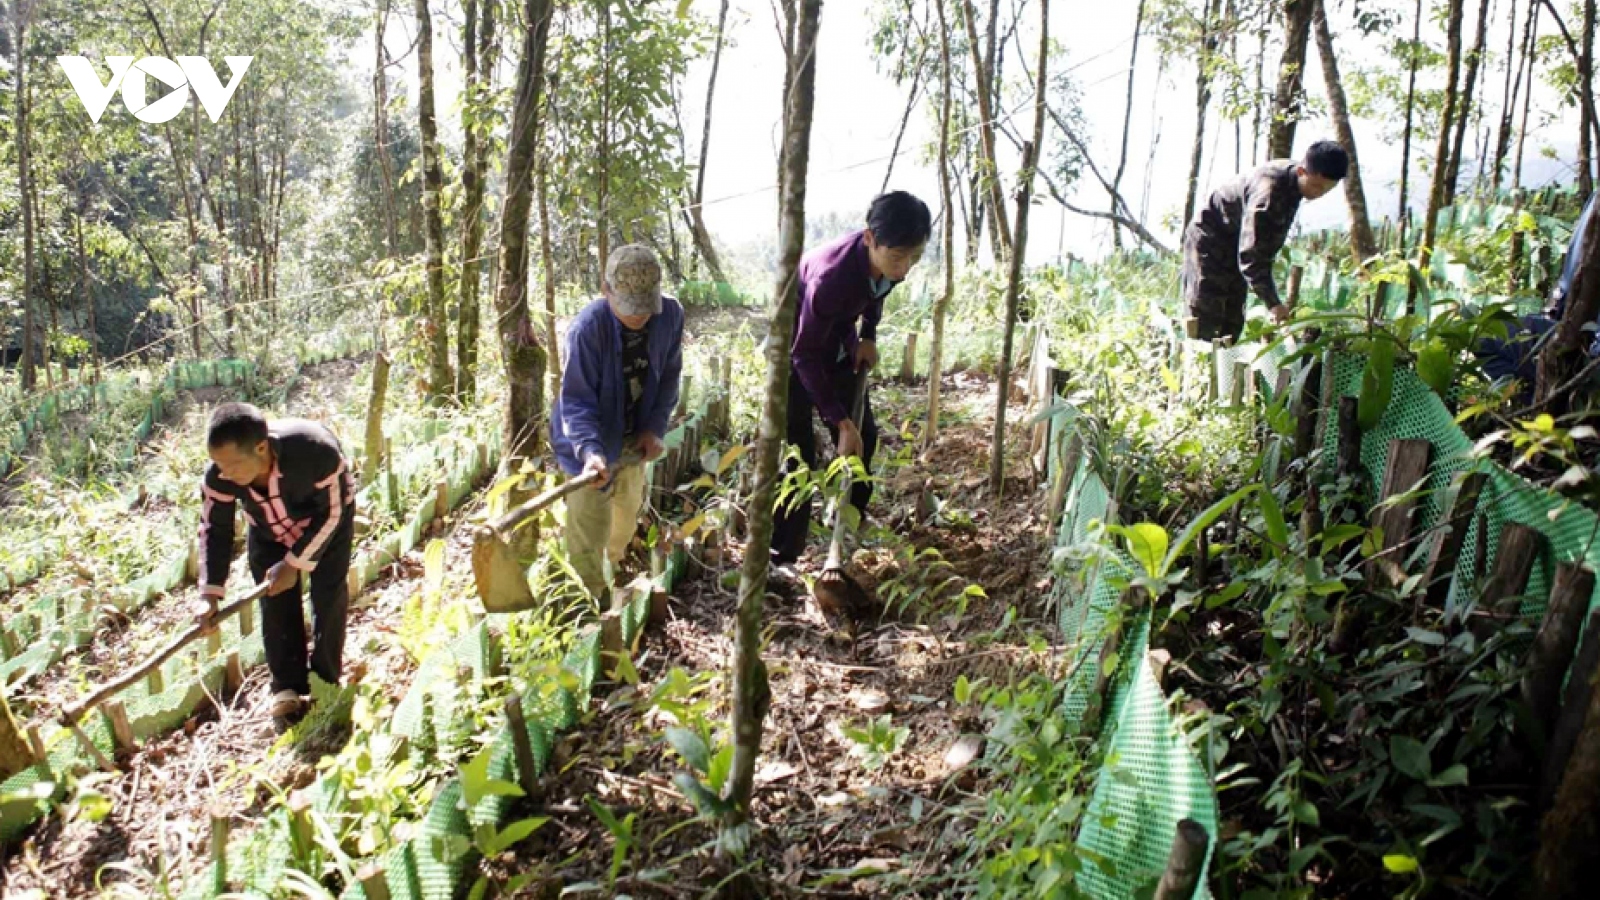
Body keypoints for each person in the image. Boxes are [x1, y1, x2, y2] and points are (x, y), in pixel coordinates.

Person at [771, 190, 932, 566]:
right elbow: (803, 354)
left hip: (838, 339)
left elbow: (878, 290)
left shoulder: (891, 263)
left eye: (913, 258)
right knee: (798, 455)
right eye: (897, 257)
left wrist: (868, 335)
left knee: (866, 437)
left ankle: (847, 523)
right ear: (869, 239)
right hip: (793, 350)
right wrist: (838, 420)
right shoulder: (830, 279)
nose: (904, 268)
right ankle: (783, 556)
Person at [198, 403, 355, 722]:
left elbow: (333, 513)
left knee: (328, 596)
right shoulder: (220, 476)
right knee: (274, 600)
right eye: (218, 464)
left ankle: (325, 682)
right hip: (267, 530)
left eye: (232, 465)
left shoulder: (315, 452)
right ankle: (287, 687)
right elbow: (215, 528)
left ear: (261, 447)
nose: (225, 473)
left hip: (324, 524)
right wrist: (209, 595)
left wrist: (295, 563)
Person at [550, 244, 684, 600]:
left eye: (644, 307)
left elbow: (670, 376)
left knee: (624, 519)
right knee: (588, 528)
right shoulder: (587, 330)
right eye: (629, 307)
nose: (638, 316)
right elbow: (575, 402)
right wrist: (589, 452)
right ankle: (585, 605)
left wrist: (655, 427)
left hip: (632, 436)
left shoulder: (670, 316)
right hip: (587, 443)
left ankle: (613, 570)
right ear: (606, 290)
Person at [1182, 140, 1349, 341]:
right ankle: (1200, 366)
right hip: (1209, 238)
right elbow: (1252, 257)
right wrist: (1274, 304)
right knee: (1207, 315)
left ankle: (1226, 363)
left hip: (1236, 238)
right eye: (1315, 186)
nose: (1318, 193)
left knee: (1232, 319)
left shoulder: (1295, 184)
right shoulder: (1269, 195)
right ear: (1301, 171)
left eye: (1326, 189)